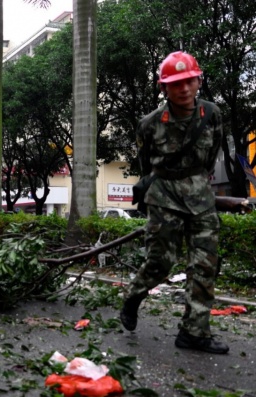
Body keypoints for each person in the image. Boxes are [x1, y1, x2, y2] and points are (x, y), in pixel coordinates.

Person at [120, 51, 229, 354]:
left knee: (204, 266)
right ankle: (133, 295)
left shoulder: (212, 114)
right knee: (161, 262)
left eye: (189, 81)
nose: (184, 89)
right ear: (163, 88)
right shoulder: (149, 123)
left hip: (201, 199)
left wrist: (196, 183)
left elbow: (212, 155)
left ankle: (194, 332)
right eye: (176, 84)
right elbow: (146, 165)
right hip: (164, 196)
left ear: (198, 81)